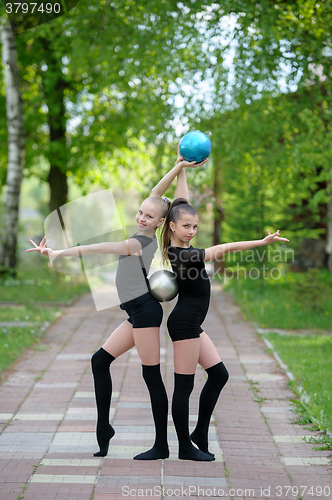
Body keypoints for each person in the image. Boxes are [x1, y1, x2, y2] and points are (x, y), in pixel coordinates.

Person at [26, 153, 207, 460]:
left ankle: (162, 445)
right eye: (140, 213)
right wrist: (179, 167)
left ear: (162, 224)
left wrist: (58, 253)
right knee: (99, 361)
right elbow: (157, 196)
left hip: (146, 314)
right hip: (135, 313)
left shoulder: (142, 243)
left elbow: (97, 247)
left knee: (152, 377)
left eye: (149, 217)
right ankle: (104, 428)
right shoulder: (144, 228)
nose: (141, 217)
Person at [160, 198, 289, 461]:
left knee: (219, 375)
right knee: (184, 387)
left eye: (195, 226)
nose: (192, 231)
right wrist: (261, 243)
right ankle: (185, 448)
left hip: (192, 324)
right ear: (172, 226)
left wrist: (182, 166)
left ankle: (200, 434)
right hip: (184, 324)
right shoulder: (180, 253)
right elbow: (225, 248)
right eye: (186, 226)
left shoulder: (185, 245)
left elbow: (181, 199)